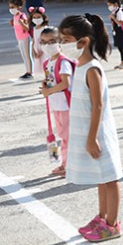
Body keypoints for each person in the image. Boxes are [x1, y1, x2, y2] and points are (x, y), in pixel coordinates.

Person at [58, 13, 123, 242]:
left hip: (99, 135)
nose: (61, 45)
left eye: (65, 40)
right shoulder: (81, 66)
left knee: (110, 178)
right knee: (101, 177)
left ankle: (112, 225)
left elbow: (98, 106)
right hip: (91, 133)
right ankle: (102, 216)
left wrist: (91, 138)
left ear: (83, 41)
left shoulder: (92, 69)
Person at [39, 26, 75, 178]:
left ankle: (67, 165)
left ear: (60, 41)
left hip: (66, 104)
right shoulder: (47, 63)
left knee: (67, 136)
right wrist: (46, 87)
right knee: (62, 134)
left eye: (52, 41)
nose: (48, 45)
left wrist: (49, 91)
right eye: (44, 42)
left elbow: (65, 83)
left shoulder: (63, 62)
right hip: (56, 104)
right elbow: (52, 80)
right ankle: (65, 163)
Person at [9, 0, 33, 79]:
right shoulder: (15, 16)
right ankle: (27, 71)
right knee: (23, 55)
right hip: (19, 38)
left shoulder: (22, 16)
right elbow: (17, 27)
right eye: (10, 7)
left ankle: (30, 72)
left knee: (27, 55)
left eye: (12, 7)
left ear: (19, 7)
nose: (11, 9)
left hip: (25, 38)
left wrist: (21, 22)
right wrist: (12, 23)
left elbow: (27, 28)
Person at [106, 0, 123, 70]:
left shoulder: (119, 12)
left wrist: (113, 18)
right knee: (120, 47)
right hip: (116, 32)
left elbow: (120, 23)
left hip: (121, 32)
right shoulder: (114, 12)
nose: (109, 7)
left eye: (110, 5)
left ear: (116, 4)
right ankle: (122, 62)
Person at [29, 6, 49, 77]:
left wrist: (41, 52)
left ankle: (48, 79)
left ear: (43, 17)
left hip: (44, 51)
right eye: (34, 17)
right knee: (41, 66)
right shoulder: (34, 28)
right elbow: (34, 41)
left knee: (47, 66)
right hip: (37, 51)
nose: (36, 19)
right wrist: (34, 52)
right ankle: (46, 78)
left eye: (38, 17)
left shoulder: (45, 28)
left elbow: (47, 41)